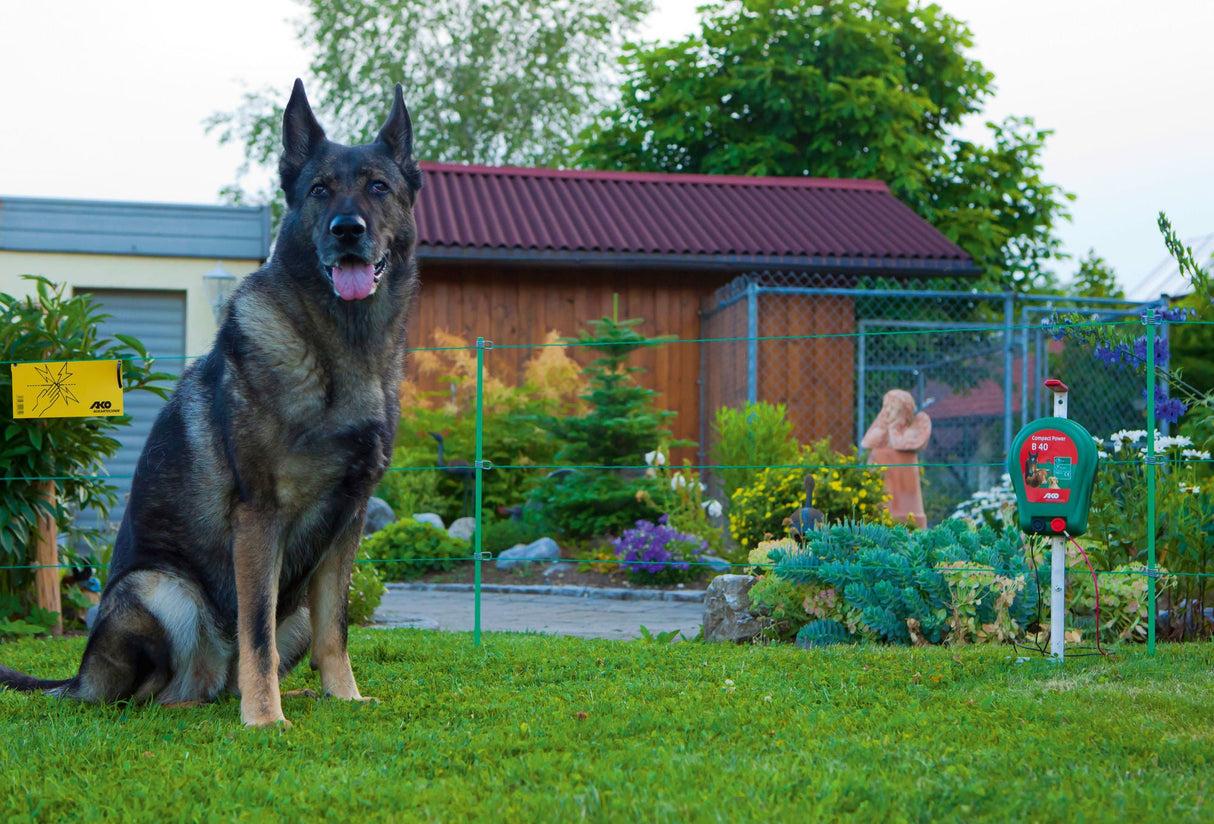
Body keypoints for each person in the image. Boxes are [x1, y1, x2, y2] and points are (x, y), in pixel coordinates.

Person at [861, 389, 932, 529]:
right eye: (885, 407)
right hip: (880, 511)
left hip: (906, 507)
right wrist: (882, 424)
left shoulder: (909, 433)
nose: (887, 411)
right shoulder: (883, 433)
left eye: (892, 408)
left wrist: (893, 427)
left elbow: (899, 444)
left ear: (903, 412)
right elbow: (866, 442)